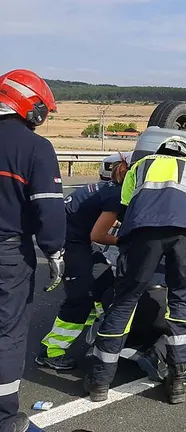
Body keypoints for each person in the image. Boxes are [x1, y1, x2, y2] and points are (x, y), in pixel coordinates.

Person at [85, 135, 186, 405]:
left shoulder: (140, 166)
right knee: (180, 306)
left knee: (124, 302)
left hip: (142, 234)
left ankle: (100, 383)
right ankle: (177, 384)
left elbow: (124, 211)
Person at [0, 69, 66, 432]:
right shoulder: (35, 148)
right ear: (29, 103)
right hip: (8, 253)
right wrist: (54, 252)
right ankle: (5, 418)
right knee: (7, 334)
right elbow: (50, 209)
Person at [36, 155, 129, 371]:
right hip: (70, 243)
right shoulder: (115, 195)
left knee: (104, 281)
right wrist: (125, 240)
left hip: (76, 240)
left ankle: (96, 333)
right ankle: (51, 351)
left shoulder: (108, 187)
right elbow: (98, 235)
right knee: (81, 298)